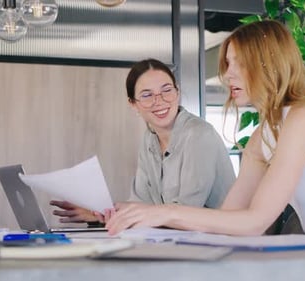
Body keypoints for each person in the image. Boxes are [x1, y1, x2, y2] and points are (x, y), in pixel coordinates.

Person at [104, 20, 305, 240]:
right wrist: (143, 216)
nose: (228, 75)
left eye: (239, 63)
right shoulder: (260, 136)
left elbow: (255, 221)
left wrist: (163, 213)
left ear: (269, 64)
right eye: (228, 63)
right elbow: (231, 218)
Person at [49, 58, 236, 224]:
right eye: (147, 95)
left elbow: (184, 212)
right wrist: (100, 214)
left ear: (177, 93)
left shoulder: (199, 134)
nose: (159, 101)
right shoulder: (149, 139)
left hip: (224, 243)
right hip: (181, 242)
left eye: (166, 90)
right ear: (133, 104)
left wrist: (123, 215)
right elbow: (141, 204)